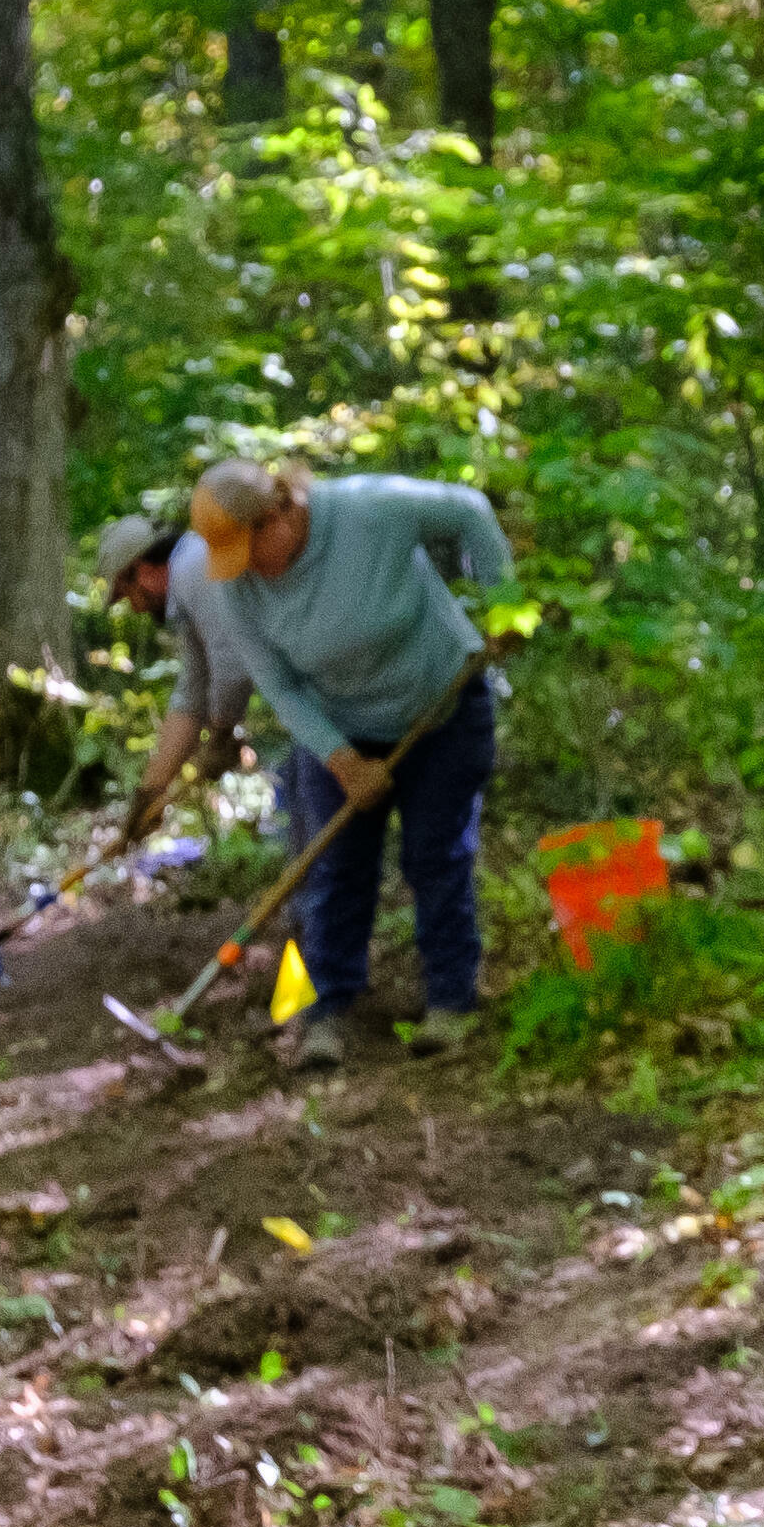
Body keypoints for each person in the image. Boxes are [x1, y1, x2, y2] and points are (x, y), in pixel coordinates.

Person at [180, 456, 508, 1068]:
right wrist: (340, 758)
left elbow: (470, 510)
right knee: (333, 870)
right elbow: (277, 684)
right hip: (339, 725)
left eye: (250, 546)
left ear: (283, 511)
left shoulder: (366, 508)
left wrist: (504, 605)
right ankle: (326, 1012)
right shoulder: (235, 585)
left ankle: (450, 1002)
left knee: (437, 856)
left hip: (441, 703)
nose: (245, 565)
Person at [94, 507, 261, 841]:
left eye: (129, 594)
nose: (136, 608)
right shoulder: (188, 585)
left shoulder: (194, 569)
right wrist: (150, 792)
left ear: (141, 570)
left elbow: (231, 665)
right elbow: (192, 692)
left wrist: (222, 733)